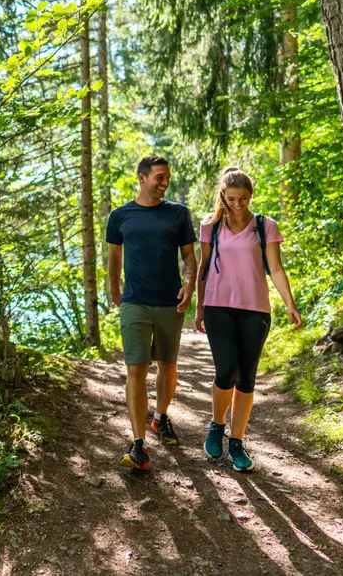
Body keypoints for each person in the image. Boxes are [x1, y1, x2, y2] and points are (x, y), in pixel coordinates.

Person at [194, 166, 302, 472]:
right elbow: (203, 270)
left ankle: (237, 442)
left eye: (243, 198)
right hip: (218, 306)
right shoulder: (211, 226)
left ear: (250, 195)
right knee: (225, 369)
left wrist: (290, 304)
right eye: (231, 198)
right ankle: (217, 425)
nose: (237, 204)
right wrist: (199, 308)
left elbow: (276, 270)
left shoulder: (264, 226)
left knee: (246, 377)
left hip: (256, 309)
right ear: (223, 196)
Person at [107, 155, 198, 472]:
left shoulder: (178, 214)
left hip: (171, 302)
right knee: (136, 369)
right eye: (159, 177)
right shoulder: (120, 216)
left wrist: (189, 285)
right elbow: (114, 257)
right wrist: (115, 291)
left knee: (168, 367)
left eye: (167, 177)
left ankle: (160, 417)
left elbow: (189, 255)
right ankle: (138, 444)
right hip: (135, 302)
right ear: (142, 178)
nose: (164, 182)